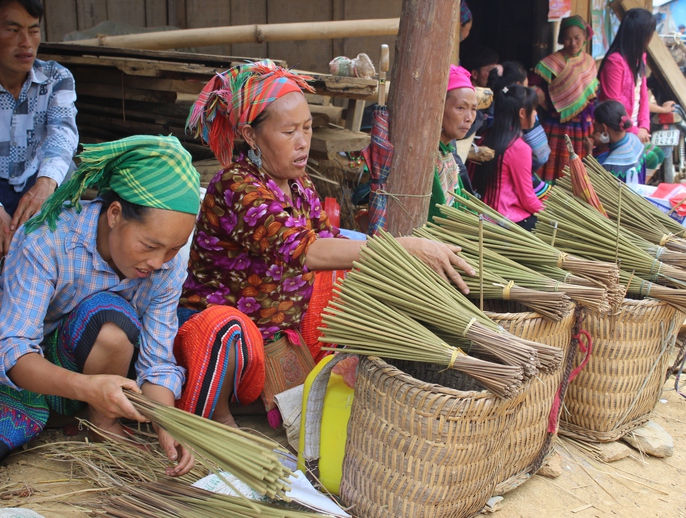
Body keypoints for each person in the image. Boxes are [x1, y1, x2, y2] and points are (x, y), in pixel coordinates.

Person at [182, 61, 476, 426]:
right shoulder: (236, 187)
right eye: (289, 132)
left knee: (347, 276)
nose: (303, 142)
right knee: (226, 328)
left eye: (307, 128)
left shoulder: (300, 185)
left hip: (280, 324)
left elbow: (330, 242)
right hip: (232, 335)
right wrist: (402, 248)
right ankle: (217, 413)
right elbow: (307, 250)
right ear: (251, 135)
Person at [0, 136, 218, 475]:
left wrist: (169, 422)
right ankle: (77, 413)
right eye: (149, 246)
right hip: (33, 374)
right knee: (16, 426)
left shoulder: (166, 267)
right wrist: (88, 387)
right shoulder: (47, 238)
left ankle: (101, 423)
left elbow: (157, 363)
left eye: (173, 250)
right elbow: (13, 350)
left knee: (112, 321)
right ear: (115, 214)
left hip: (98, 383)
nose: (159, 262)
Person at [0, 0, 78, 256]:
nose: (26, 42)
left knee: (67, 172)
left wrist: (45, 184)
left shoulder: (56, 78)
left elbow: (63, 133)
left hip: (36, 179)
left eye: (33, 30)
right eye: (13, 30)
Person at [529, 15, 598, 183]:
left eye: (577, 38)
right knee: (556, 167)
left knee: (579, 167)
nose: (573, 43)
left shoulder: (589, 62)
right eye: (567, 38)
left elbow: (592, 93)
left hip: (582, 125)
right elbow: (532, 85)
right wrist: (548, 102)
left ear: (584, 37)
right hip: (558, 124)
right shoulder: (551, 63)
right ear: (561, 39)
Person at [471, 84, 543, 230]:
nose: (535, 113)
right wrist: (552, 215)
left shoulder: (484, 137)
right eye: (534, 109)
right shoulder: (519, 148)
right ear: (522, 113)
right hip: (505, 220)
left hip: (479, 214)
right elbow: (527, 200)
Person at [599, 7, 656, 145]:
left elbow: (643, 96)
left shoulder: (639, 58)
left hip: (635, 130)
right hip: (618, 134)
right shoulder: (615, 62)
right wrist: (635, 131)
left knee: (656, 157)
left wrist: (644, 126)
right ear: (641, 36)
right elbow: (613, 106)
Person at [429, 64, 478, 222]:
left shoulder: (447, 153)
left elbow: (464, 204)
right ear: (439, 107)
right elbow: (440, 218)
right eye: (461, 108)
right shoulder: (428, 157)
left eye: (474, 109)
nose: (469, 118)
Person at [586, 100, 646, 185]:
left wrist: (589, 153)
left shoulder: (610, 165)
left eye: (595, 126)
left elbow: (590, 184)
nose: (594, 130)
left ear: (604, 128)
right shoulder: (635, 139)